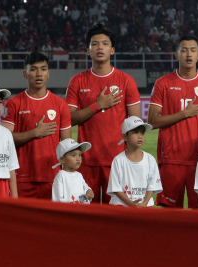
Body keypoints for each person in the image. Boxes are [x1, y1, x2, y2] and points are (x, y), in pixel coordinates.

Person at [66, 24, 141, 202]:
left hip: (117, 161)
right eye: (95, 44)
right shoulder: (77, 81)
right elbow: (69, 118)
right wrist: (98, 105)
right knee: (86, 217)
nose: (100, 47)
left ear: (112, 50)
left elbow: (136, 123)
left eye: (105, 44)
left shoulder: (126, 81)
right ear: (88, 50)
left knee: (115, 218)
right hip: (85, 161)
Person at [148, 35, 198, 209]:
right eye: (184, 50)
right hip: (171, 159)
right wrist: (184, 113)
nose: (188, 54)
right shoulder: (163, 83)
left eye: (193, 50)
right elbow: (152, 121)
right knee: (169, 214)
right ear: (176, 54)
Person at [1, 51, 72, 199]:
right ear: (25, 74)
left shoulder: (60, 105)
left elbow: (67, 146)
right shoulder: (13, 104)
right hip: (21, 178)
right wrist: (34, 133)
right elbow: (3, 139)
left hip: (53, 178)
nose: (39, 73)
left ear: (48, 73)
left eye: (43, 69)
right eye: (33, 69)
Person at [107, 117, 162, 207]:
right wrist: (131, 204)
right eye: (135, 132)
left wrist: (144, 203)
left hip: (145, 207)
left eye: (142, 132)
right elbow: (115, 187)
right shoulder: (118, 160)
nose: (140, 136)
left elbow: (152, 184)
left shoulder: (150, 159)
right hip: (122, 207)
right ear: (125, 136)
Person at [51, 138, 94, 203]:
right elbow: (57, 200)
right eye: (73, 155)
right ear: (62, 159)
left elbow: (84, 190)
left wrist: (89, 192)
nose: (78, 159)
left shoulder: (79, 175)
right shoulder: (61, 176)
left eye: (79, 155)